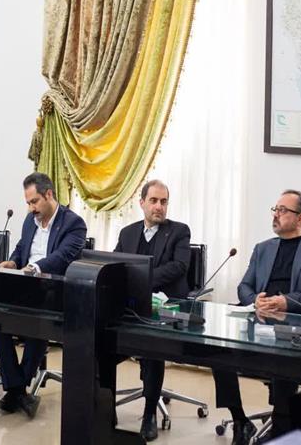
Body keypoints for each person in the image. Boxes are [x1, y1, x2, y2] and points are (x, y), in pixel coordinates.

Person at [213, 190, 301, 442]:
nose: (275, 215)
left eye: (282, 210)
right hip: (257, 324)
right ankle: (239, 420)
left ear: (300, 218)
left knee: (282, 359)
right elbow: (244, 286)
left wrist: (286, 302)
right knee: (218, 352)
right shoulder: (262, 248)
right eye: (275, 209)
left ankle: (281, 427)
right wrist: (254, 300)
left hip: (293, 331)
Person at [0, 172, 86, 419]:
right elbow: (22, 247)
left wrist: (34, 267)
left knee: (38, 316)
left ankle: (15, 390)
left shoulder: (73, 223)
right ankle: (19, 389)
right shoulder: (30, 220)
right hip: (24, 285)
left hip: (54, 290)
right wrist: (13, 262)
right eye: (28, 203)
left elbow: (63, 257)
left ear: (49, 194)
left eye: (34, 202)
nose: (31, 208)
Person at [114, 179, 190, 441]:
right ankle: (104, 407)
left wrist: (140, 279)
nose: (159, 206)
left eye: (164, 201)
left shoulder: (179, 231)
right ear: (142, 203)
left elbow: (178, 267)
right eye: (154, 201)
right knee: (103, 341)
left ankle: (149, 414)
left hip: (163, 308)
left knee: (152, 346)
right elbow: (115, 264)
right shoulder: (127, 233)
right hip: (131, 307)